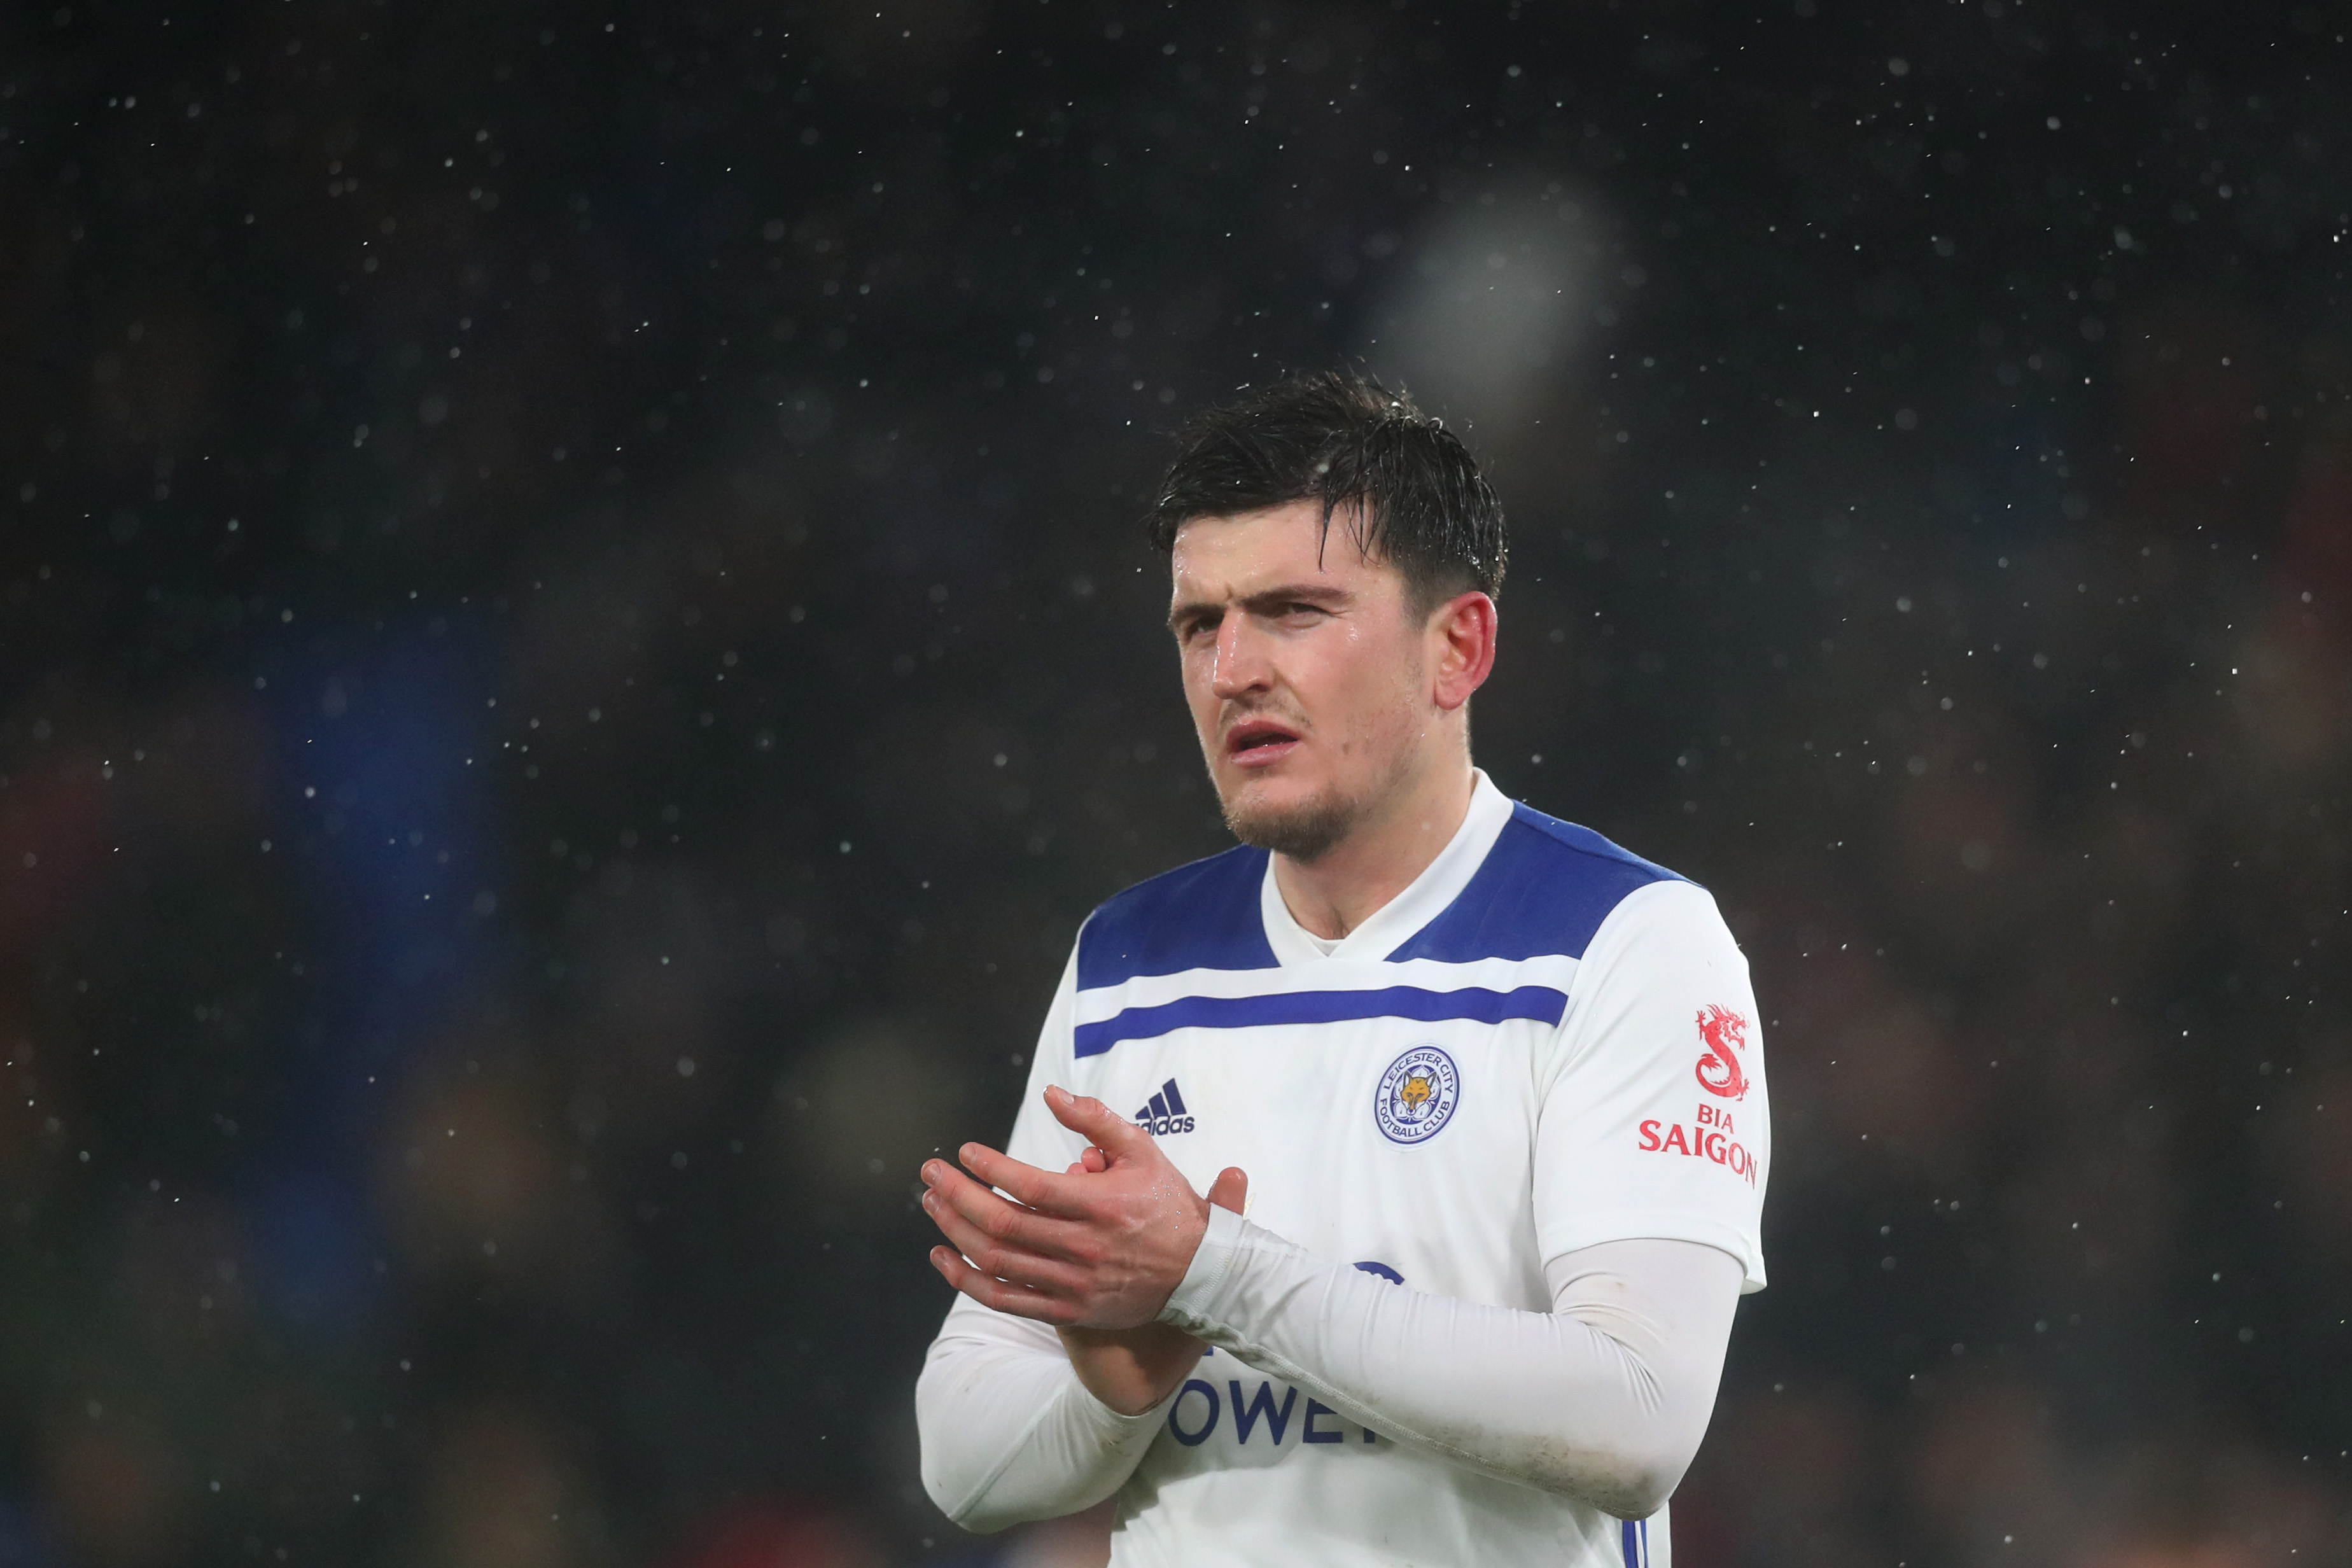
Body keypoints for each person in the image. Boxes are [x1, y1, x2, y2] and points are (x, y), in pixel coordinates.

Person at [914, 370, 1770, 1567]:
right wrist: (1119, 1393)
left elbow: (1637, 1419)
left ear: (1456, 648)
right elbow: (964, 1460)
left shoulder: (1626, 940)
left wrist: (1210, 1276)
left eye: (1294, 611)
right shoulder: (1130, 964)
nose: (1231, 672)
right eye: (1200, 624)